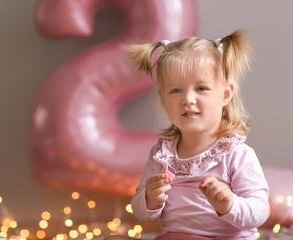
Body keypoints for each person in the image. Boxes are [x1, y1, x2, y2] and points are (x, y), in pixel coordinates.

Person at [106, 29, 270, 240]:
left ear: (225, 95)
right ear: (163, 99)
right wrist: (149, 199)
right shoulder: (161, 154)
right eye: (176, 91)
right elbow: (141, 211)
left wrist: (230, 204)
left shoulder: (237, 154)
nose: (188, 99)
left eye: (201, 88)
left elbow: (260, 211)